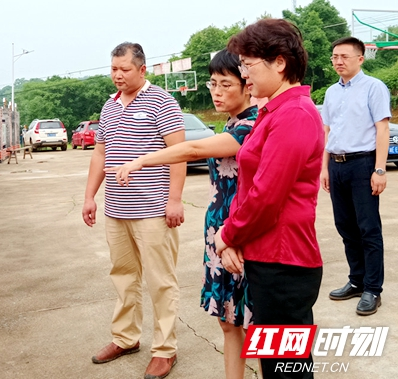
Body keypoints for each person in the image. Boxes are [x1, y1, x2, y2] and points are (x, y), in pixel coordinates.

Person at [106, 48, 256, 379]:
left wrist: (142, 160)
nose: (216, 92)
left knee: (258, 321)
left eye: (225, 84)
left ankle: (165, 350)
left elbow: (192, 149)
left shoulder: (254, 124)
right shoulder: (233, 120)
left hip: (244, 234)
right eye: (212, 84)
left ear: (248, 84)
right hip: (222, 234)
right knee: (230, 321)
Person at [213, 19, 324, 379]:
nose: (245, 75)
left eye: (249, 64)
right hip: (266, 255)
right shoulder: (272, 111)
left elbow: (266, 195)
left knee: (286, 369)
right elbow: (250, 185)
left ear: (280, 62)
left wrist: (227, 235)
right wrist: (234, 237)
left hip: (284, 261)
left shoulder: (294, 115)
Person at [82, 42, 186, 379]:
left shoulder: (162, 102)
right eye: (113, 69)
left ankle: (164, 350)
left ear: (142, 70)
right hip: (116, 209)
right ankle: (126, 338)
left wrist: (175, 199)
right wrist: (90, 197)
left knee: (160, 282)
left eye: (124, 69)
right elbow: (100, 154)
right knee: (124, 278)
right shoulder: (109, 107)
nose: (117, 75)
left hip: (154, 209)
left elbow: (179, 153)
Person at [321, 37, 391, 316]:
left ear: (360, 59)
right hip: (337, 165)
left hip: (363, 164)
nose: (338, 61)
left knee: (368, 228)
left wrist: (380, 169)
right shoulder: (330, 92)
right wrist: (324, 168)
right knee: (345, 226)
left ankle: (373, 288)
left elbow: (382, 129)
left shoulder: (373, 87)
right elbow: (327, 133)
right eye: (334, 57)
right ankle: (357, 280)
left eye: (344, 57)